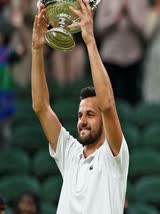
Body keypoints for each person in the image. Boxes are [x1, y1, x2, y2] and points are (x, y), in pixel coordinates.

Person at [31, 1, 129, 213]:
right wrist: (37, 49)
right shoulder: (70, 153)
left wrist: (90, 41)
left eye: (90, 114)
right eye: (80, 115)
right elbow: (41, 107)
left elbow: (108, 105)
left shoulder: (114, 156)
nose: (82, 121)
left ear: (103, 119)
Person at [95, 0, 148, 105]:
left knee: (133, 101)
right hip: (110, 57)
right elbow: (99, 27)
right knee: (107, 102)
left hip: (133, 58)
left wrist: (130, 14)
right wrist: (115, 18)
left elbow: (144, 29)